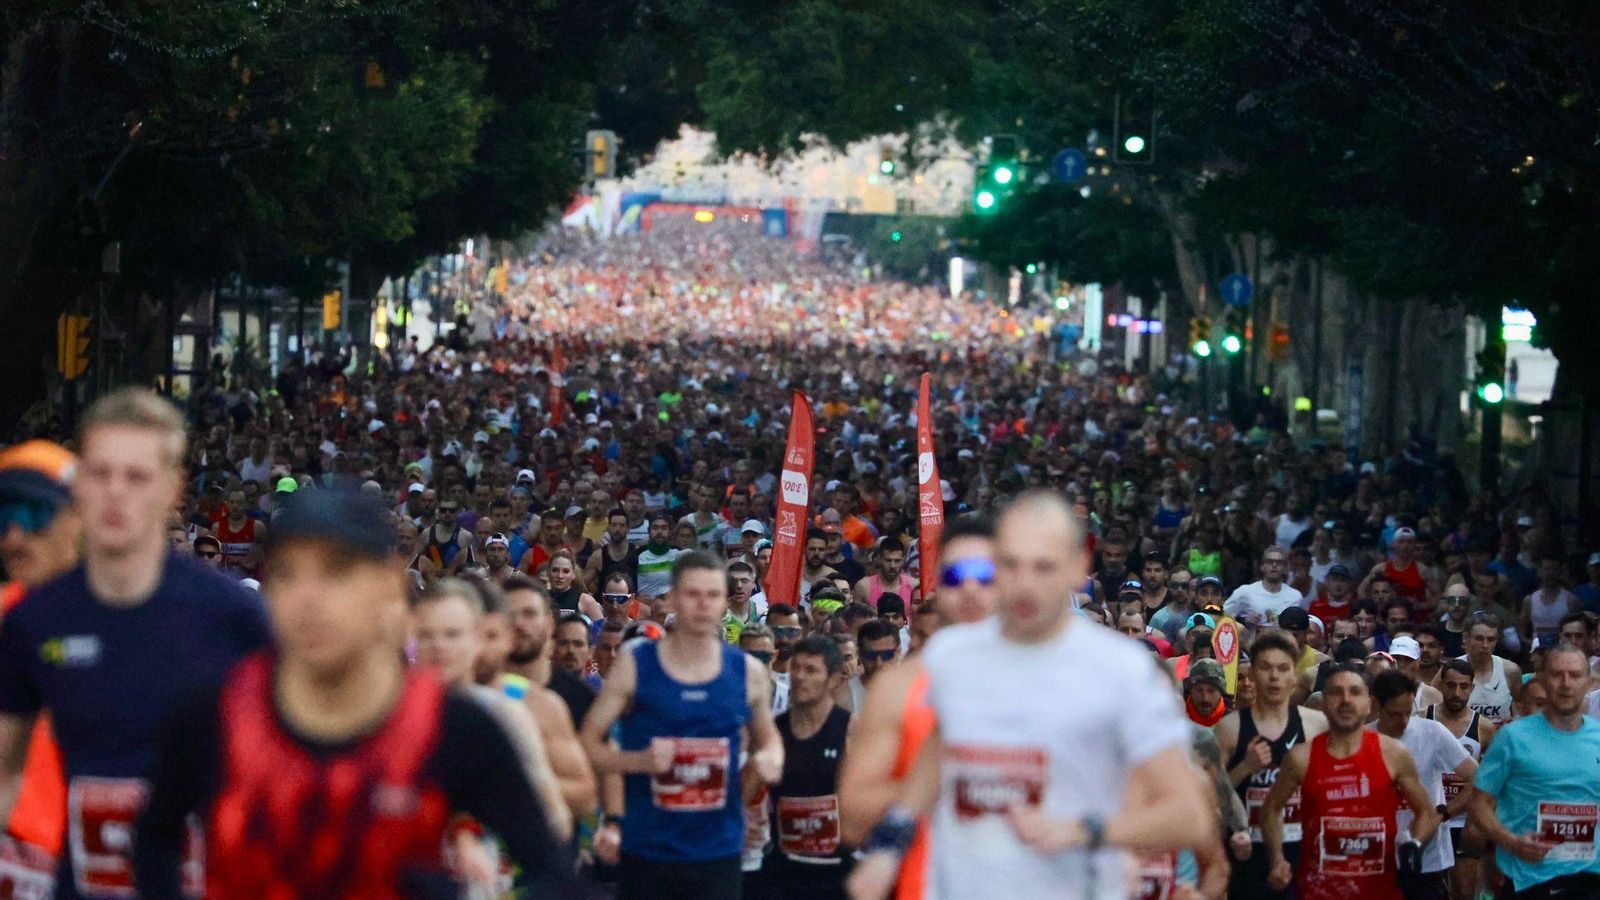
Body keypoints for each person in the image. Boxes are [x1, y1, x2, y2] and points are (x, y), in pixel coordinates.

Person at [132, 488, 572, 897]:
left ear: (389, 588)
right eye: (287, 574)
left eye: (336, 572)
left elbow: (552, 869)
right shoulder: (213, 717)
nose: (309, 598)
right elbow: (153, 839)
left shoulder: (454, 728)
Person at [850, 492, 1211, 900]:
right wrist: (888, 847)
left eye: (1043, 567)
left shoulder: (1121, 671)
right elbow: (942, 754)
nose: (1025, 584)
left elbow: (1189, 816)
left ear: (1079, 567)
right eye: (1011, 565)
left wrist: (1086, 830)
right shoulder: (953, 656)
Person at [0, 389, 271, 900]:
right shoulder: (34, 621)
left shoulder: (233, 616)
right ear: (78, 485)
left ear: (173, 488)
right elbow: (4, 774)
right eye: (100, 474)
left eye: (137, 476)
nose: (116, 493)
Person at [578, 551, 784, 900]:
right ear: (672, 597)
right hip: (648, 848)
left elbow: (770, 743)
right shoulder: (636, 663)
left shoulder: (746, 672)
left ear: (724, 601)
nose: (703, 604)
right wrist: (639, 761)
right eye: (693, 594)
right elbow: (588, 743)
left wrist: (769, 762)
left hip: (717, 851)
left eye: (713, 595)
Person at [838, 516, 998, 900]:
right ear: (941, 584)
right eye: (958, 576)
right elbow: (853, 819)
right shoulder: (900, 686)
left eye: (986, 575)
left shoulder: (1051, 680)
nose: (971, 589)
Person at [1262, 664, 1439, 900]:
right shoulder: (1300, 757)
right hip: (1317, 892)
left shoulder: (1393, 753)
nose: (1345, 700)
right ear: (1323, 703)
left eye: (1355, 692)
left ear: (1369, 703)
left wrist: (1414, 844)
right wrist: (1277, 859)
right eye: (1336, 692)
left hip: (1380, 892)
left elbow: (1426, 811)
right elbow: (1271, 809)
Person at [0, 441, 81, 887]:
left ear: (78, 517)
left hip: (88, 870)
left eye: (34, 514)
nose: (15, 534)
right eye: (3, 517)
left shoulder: (136, 621)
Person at [1470, 643, 1600, 898]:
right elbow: (1478, 805)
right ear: (1541, 679)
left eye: (1574, 675)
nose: (1565, 683)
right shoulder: (1511, 737)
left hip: (1590, 878)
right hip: (1527, 878)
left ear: (1588, 682)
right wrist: (1511, 842)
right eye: (1556, 674)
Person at [1215, 630, 1331, 900]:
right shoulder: (1229, 728)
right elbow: (1209, 796)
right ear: (1252, 674)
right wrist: (1245, 767)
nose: (1274, 676)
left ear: (1294, 676)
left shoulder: (1316, 725)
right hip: (1246, 851)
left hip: (1302, 850)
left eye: (1282, 669)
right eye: (1265, 668)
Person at [1369, 669, 1477, 900]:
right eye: (1395, 714)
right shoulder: (1362, 738)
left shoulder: (1432, 732)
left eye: (1408, 712)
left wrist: (1443, 814)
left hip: (1428, 860)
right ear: (1376, 705)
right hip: (1377, 860)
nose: (1403, 721)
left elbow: (1479, 779)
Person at [764, 635, 853, 900]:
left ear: (834, 679)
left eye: (811, 670)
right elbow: (746, 797)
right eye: (796, 668)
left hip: (836, 872)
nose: (800, 677)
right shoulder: (774, 731)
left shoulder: (851, 731)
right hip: (783, 871)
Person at [1425, 658, 1498, 900]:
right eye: (1451, 685)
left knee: (1464, 892)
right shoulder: (1422, 719)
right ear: (1441, 686)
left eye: (1464, 686)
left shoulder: (1484, 727)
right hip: (1429, 818)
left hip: (1465, 822)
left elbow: (1492, 782)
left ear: (1472, 688)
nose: (1457, 693)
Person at [1224, 546, 1307, 631]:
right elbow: (1223, 616)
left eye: (1279, 562)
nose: (1274, 565)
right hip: (1254, 642)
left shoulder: (1295, 596)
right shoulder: (1245, 592)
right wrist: (1243, 622)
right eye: (1270, 562)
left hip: (1285, 642)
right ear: (1262, 566)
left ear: (1285, 568)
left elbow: (1302, 627)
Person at [1460, 612, 1521, 724]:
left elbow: (1520, 707)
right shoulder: (1451, 669)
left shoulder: (1510, 671)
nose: (1485, 645)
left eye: (1490, 639)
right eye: (1479, 639)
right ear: (1465, 638)